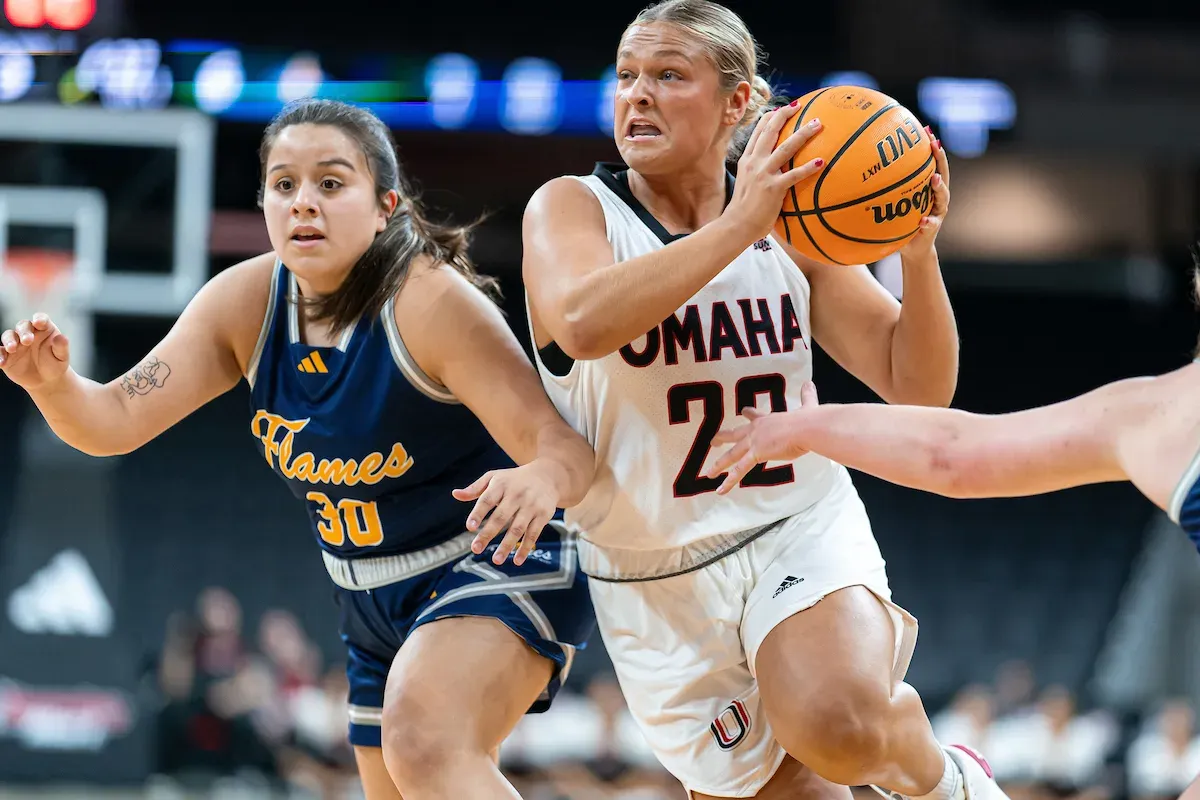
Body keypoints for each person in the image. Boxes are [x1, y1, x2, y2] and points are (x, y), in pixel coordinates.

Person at [0, 98, 597, 800]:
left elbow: (567, 452)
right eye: (284, 185)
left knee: (425, 742)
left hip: (495, 562)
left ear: (385, 206)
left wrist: (539, 479)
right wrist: (53, 384)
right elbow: (114, 420)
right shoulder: (245, 302)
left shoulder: (431, 305)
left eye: (331, 183)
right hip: (367, 597)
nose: (303, 202)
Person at [520, 1, 1006, 799]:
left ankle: (947, 778)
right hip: (652, 568)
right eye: (627, 77)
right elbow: (580, 322)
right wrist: (741, 222)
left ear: (736, 102)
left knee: (840, 725)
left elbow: (919, 388)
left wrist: (919, 259)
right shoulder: (572, 207)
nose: (636, 96)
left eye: (669, 76)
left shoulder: (791, 227)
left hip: (792, 524)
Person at [705, 257, 1200, 554]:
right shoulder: (1157, 412)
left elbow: (952, 455)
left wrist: (805, 427)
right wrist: (806, 426)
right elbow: (951, 449)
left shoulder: (1159, 415)